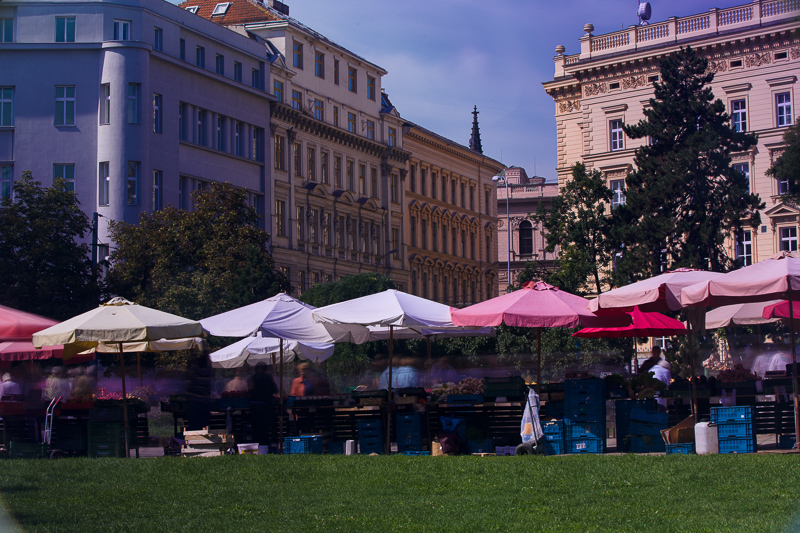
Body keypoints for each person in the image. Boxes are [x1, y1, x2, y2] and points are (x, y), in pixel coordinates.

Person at [248, 362, 278, 446]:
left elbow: (249, 390)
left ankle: (256, 444)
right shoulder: (269, 377)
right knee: (265, 427)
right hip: (266, 405)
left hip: (254, 406)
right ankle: (265, 444)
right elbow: (275, 389)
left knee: (256, 427)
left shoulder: (252, 378)